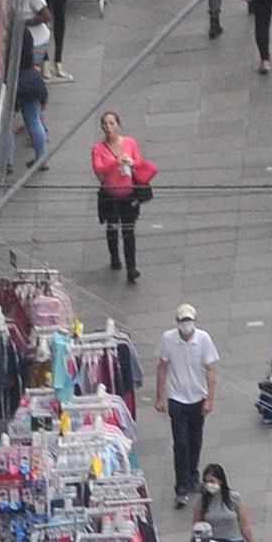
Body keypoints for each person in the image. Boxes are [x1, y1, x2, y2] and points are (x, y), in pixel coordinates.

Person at [156, 307, 220, 504]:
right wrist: (160, 396)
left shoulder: (203, 339)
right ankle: (181, 486)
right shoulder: (168, 339)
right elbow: (162, 367)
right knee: (181, 443)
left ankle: (192, 475)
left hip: (197, 397)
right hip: (177, 398)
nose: (186, 324)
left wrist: (209, 398)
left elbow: (210, 369)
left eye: (189, 320)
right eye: (183, 320)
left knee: (195, 441)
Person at [90, 111, 155, 281]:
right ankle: (114, 256)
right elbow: (98, 169)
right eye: (105, 124)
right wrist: (114, 163)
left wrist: (131, 163)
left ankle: (131, 267)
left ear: (118, 125)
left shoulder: (129, 142)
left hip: (128, 193)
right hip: (110, 195)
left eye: (112, 123)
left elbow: (138, 161)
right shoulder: (98, 148)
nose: (109, 127)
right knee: (112, 227)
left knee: (128, 231)